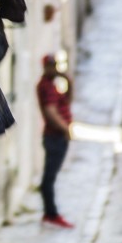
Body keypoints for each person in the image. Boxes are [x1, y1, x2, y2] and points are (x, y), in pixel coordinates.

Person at [36, 54, 74, 229]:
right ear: (46, 67)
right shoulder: (45, 87)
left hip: (57, 136)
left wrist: (68, 80)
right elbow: (51, 112)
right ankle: (51, 214)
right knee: (49, 178)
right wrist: (65, 129)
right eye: (51, 66)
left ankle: (50, 213)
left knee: (50, 176)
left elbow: (67, 101)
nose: (54, 69)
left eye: (55, 65)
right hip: (54, 137)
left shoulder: (53, 86)